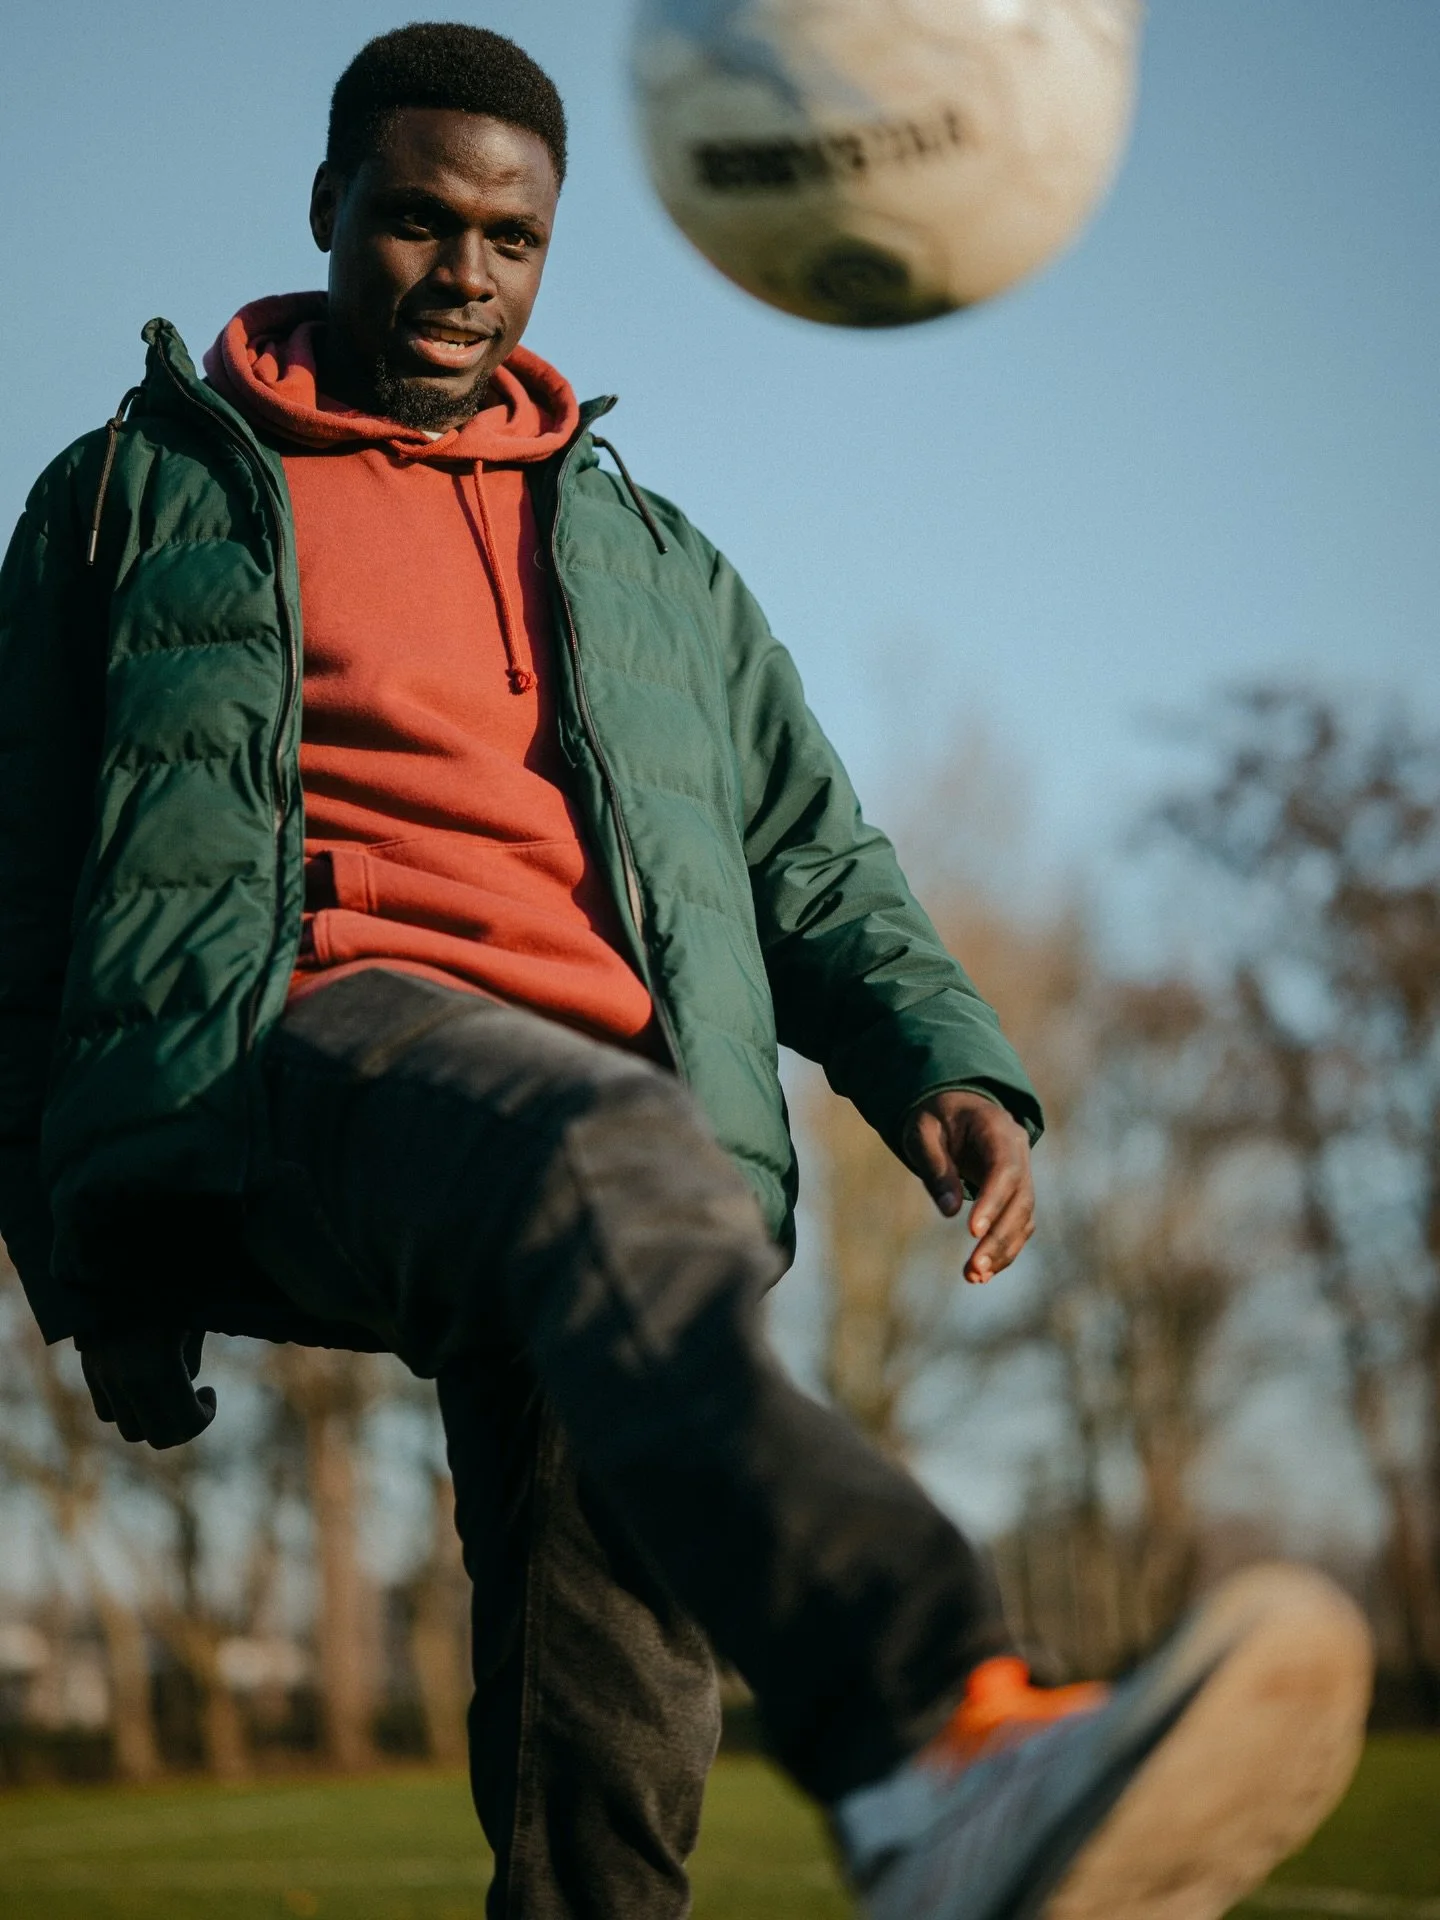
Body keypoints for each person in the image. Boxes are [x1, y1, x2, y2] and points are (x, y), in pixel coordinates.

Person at [0, 22, 1372, 1920]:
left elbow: (807, 849)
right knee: (593, 1149)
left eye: (513, 239)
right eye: (415, 220)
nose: (464, 273)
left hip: (622, 1166)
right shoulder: (127, 498)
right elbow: (18, 893)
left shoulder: (650, 555)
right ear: (325, 205)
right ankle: (932, 1727)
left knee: (614, 1756)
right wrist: (84, 1261)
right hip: (302, 1055)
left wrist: (939, 1060)